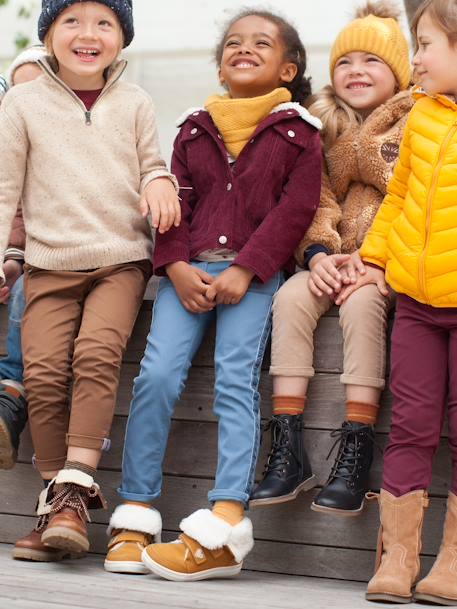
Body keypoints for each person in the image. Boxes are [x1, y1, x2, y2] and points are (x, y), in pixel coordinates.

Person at [105, 8, 322, 581]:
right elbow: (173, 201)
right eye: (232, 43)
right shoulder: (193, 129)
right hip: (187, 273)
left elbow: (294, 211)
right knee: (156, 376)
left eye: (260, 43)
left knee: (235, 376)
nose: (243, 48)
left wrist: (248, 269)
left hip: (252, 277)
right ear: (221, 64)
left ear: (288, 67)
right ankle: (136, 512)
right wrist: (173, 266)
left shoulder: (299, 134)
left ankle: (226, 513)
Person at [0, 0, 180, 562]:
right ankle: (57, 504)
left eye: (104, 23)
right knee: (46, 371)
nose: (88, 35)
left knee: (97, 355)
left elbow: (151, 162)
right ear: (49, 35)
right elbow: (6, 187)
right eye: (71, 22)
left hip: (121, 258)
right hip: (49, 262)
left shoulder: (135, 100)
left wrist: (160, 181)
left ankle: (75, 494)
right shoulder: (22, 102)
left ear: (121, 38)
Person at [250, 0, 413, 515]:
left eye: (372, 62)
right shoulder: (320, 127)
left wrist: (377, 261)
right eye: (346, 61)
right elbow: (315, 199)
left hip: (382, 262)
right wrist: (318, 254)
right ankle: (287, 446)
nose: (356, 71)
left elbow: (410, 199)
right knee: (292, 298)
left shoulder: (416, 123)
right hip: (333, 255)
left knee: (364, 309)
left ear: (400, 74)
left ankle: (357, 446)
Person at [336, 0, 457, 603]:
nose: (417, 59)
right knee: (410, 424)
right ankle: (399, 556)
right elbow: (401, 195)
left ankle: (454, 559)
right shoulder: (424, 116)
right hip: (416, 299)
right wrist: (376, 258)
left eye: (427, 44)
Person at [0, 45, 47, 470]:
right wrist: (7, 258)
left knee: (28, 287)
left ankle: (10, 394)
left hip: (66, 258)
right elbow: (13, 208)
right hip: (26, 255)